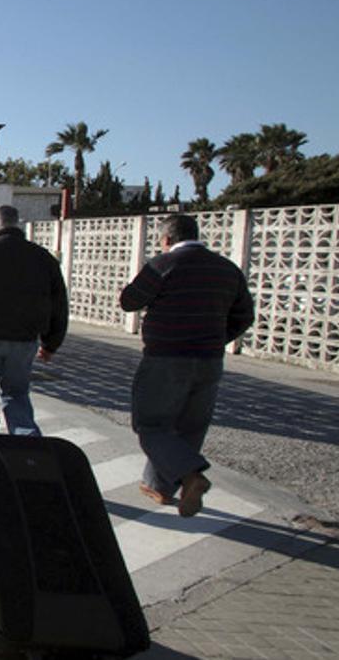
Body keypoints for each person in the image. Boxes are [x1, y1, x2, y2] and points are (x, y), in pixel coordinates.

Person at [119, 214, 254, 518]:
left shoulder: (163, 265)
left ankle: (192, 477)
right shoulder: (227, 269)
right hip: (209, 361)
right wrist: (217, 338)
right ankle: (161, 487)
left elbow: (129, 301)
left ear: (167, 239)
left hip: (166, 359)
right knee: (189, 428)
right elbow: (245, 316)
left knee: (151, 425)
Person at [0, 205, 68, 436]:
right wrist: (51, 344)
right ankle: (28, 447)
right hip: (25, 340)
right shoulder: (43, 258)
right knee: (17, 394)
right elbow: (59, 304)